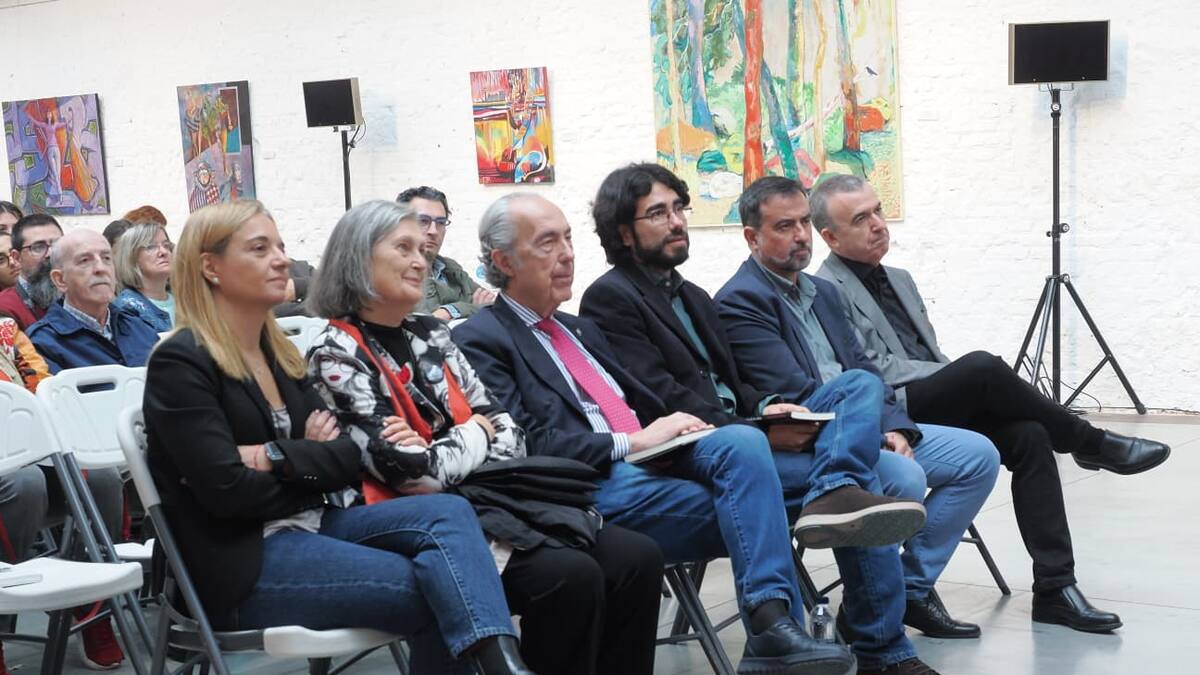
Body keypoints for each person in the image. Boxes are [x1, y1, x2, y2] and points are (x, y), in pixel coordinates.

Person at [581, 165, 966, 673]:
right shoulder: (611, 297)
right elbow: (658, 397)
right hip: (691, 446)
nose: (676, 222)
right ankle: (882, 648)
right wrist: (748, 424)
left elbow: (736, 382)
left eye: (678, 209)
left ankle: (838, 492)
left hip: (741, 431)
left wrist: (766, 407)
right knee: (871, 478)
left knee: (860, 384)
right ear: (624, 233)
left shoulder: (692, 296)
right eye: (658, 213)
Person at [454, 193, 860, 675]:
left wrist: (695, 424)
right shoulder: (480, 338)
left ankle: (788, 613)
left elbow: (645, 399)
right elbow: (523, 443)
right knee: (767, 501)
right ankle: (774, 623)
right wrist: (634, 441)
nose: (567, 254)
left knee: (775, 447)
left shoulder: (579, 330)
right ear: (503, 261)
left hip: (655, 459)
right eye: (547, 243)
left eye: (568, 238)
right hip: (590, 481)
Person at [142, 200, 533, 674]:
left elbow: (346, 458)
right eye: (260, 249)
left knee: (449, 513)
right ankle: (504, 667)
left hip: (315, 525)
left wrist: (274, 456)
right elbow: (227, 493)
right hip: (243, 563)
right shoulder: (181, 361)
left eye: (280, 247)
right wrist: (304, 457)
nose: (281, 260)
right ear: (211, 267)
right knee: (442, 584)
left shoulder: (279, 354)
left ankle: (502, 664)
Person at [306, 200, 662, 675]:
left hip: (486, 503)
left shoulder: (431, 335)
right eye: (403, 248)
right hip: (402, 522)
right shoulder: (335, 353)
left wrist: (446, 442)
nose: (421, 260)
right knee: (568, 577)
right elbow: (412, 475)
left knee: (636, 557)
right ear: (358, 260)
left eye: (422, 250)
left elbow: (511, 434)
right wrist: (475, 430)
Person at [811, 174, 1171, 633]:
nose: (878, 224)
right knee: (982, 368)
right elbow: (876, 371)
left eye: (878, 210)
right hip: (890, 411)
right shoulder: (826, 290)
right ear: (831, 237)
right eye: (861, 219)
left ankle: (1055, 588)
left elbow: (924, 355)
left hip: (930, 400)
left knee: (1031, 437)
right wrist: (955, 375)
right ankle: (1090, 442)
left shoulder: (901, 279)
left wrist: (952, 377)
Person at [710, 176, 999, 646]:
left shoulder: (823, 293)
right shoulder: (741, 301)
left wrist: (896, 426)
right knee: (902, 476)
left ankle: (909, 589)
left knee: (979, 456)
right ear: (752, 237)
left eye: (804, 222)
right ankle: (877, 620)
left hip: (867, 425)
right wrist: (870, 426)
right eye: (784, 226)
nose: (801, 235)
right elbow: (795, 390)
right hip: (820, 437)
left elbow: (865, 367)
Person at [0, 319, 128, 671]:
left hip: (31, 446)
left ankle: (91, 605)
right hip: (12, 472)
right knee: (24, 485)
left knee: (102, 478)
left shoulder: (7, 331)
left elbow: (39, 387)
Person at [26, 230, 159, 372]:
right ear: (60, 280)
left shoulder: (139, 327)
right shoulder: (43, 342)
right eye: (85, 261)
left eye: (106, 258)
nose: (101, 268)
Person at [397, 186, 496, 321]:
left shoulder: (450, 268)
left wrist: (451, 310)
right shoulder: (395, 273)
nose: (433, 231)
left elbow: (492, 305)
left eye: (441, 222)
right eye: (423, 221)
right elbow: (426, 324)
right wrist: (472, 308)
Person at [0, 214, 63, 329]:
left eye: (57, 245)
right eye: (38, 247)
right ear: (16, 257)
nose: (50, 253)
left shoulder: (79, 295)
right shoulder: (5, 309)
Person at [113, 223, 175, 332]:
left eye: (166, 245)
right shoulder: (126, 309)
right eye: (151, 247)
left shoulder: (185, 298)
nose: (163, 252)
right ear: (131, 257)